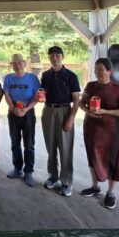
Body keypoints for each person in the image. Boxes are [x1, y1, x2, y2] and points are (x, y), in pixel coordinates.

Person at [79, 58, 119, 209]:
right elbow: (81, 103)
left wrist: (106, 111)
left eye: (101, 70)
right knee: (92, 156)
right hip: (91, 127)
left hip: (111, 130)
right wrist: (88, 111)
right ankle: (95, 186)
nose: (98, 73)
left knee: (113, 159)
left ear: (109, 71)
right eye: (96, 70)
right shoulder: (91, 86)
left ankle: (111, 193)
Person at [40, 46, 81, 197]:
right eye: (52, 55)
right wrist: (40, 95)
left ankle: (66, 181)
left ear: (62, 57)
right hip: (48, 111)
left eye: (57, 55)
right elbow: (42, 93)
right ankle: (53, 176)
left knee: (65, 148)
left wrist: (71, 118)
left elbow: (76, 100)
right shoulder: (45, 75)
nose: (55, 57)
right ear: (49, 58)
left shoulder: (71, 76)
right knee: (50, 146)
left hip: (65, 111)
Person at [3, 53, 40, 187]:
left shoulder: (32, 78)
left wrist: (27, 108)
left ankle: (28, 171)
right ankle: (17, 168)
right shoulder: (8, 78)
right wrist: (13, 109)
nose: (17, 65)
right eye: (15, 63)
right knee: (15, 142)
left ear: (24, 63)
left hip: (28, 111)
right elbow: (6, 95)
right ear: (12, 65)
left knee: (29, 144)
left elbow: (37, 96)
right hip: (13, 112)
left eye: (20, 62)